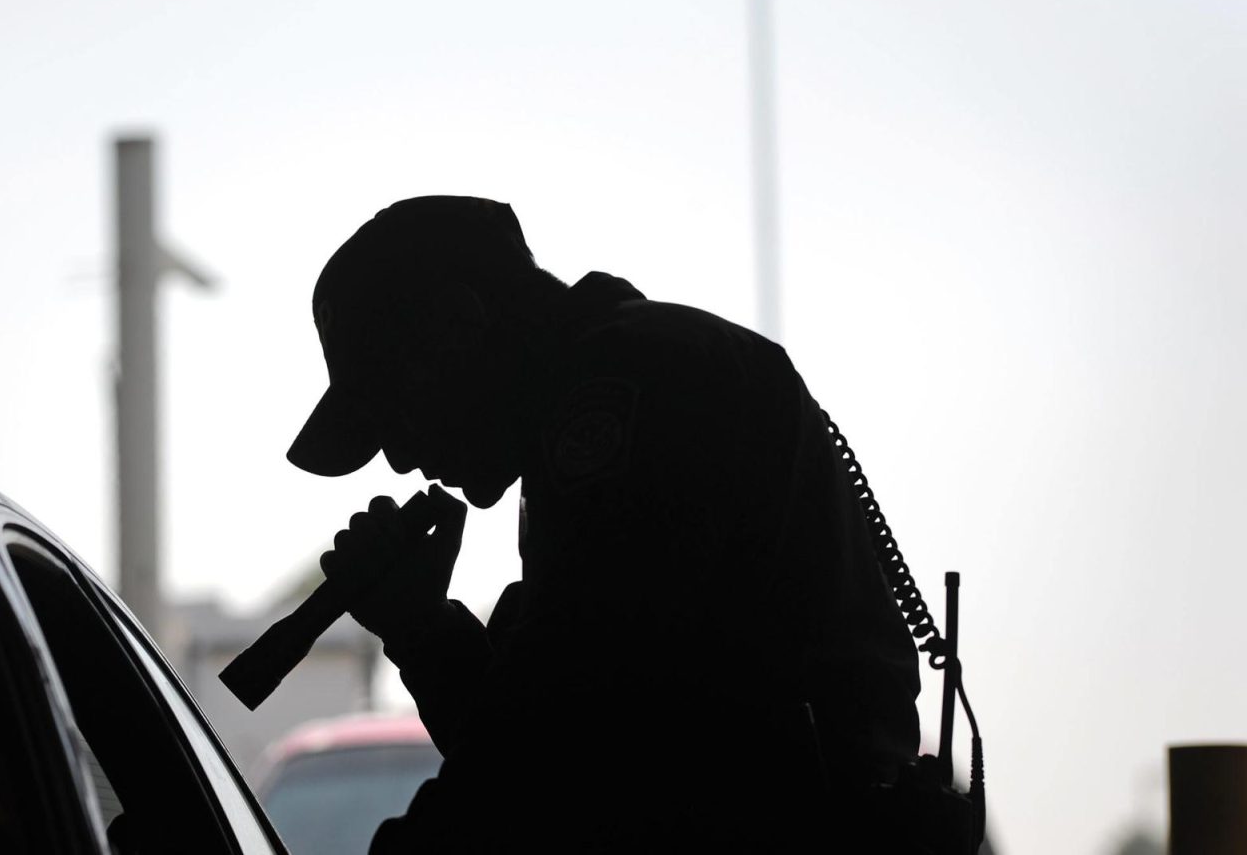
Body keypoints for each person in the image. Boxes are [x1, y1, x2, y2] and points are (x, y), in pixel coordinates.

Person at [288, 196, 922, 852]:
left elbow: (561, 757)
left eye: (396, 405)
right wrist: (422, 631)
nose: (400, 455)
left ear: (459, 327)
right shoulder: (624, 385)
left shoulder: (633, 390)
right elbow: (565, 743)